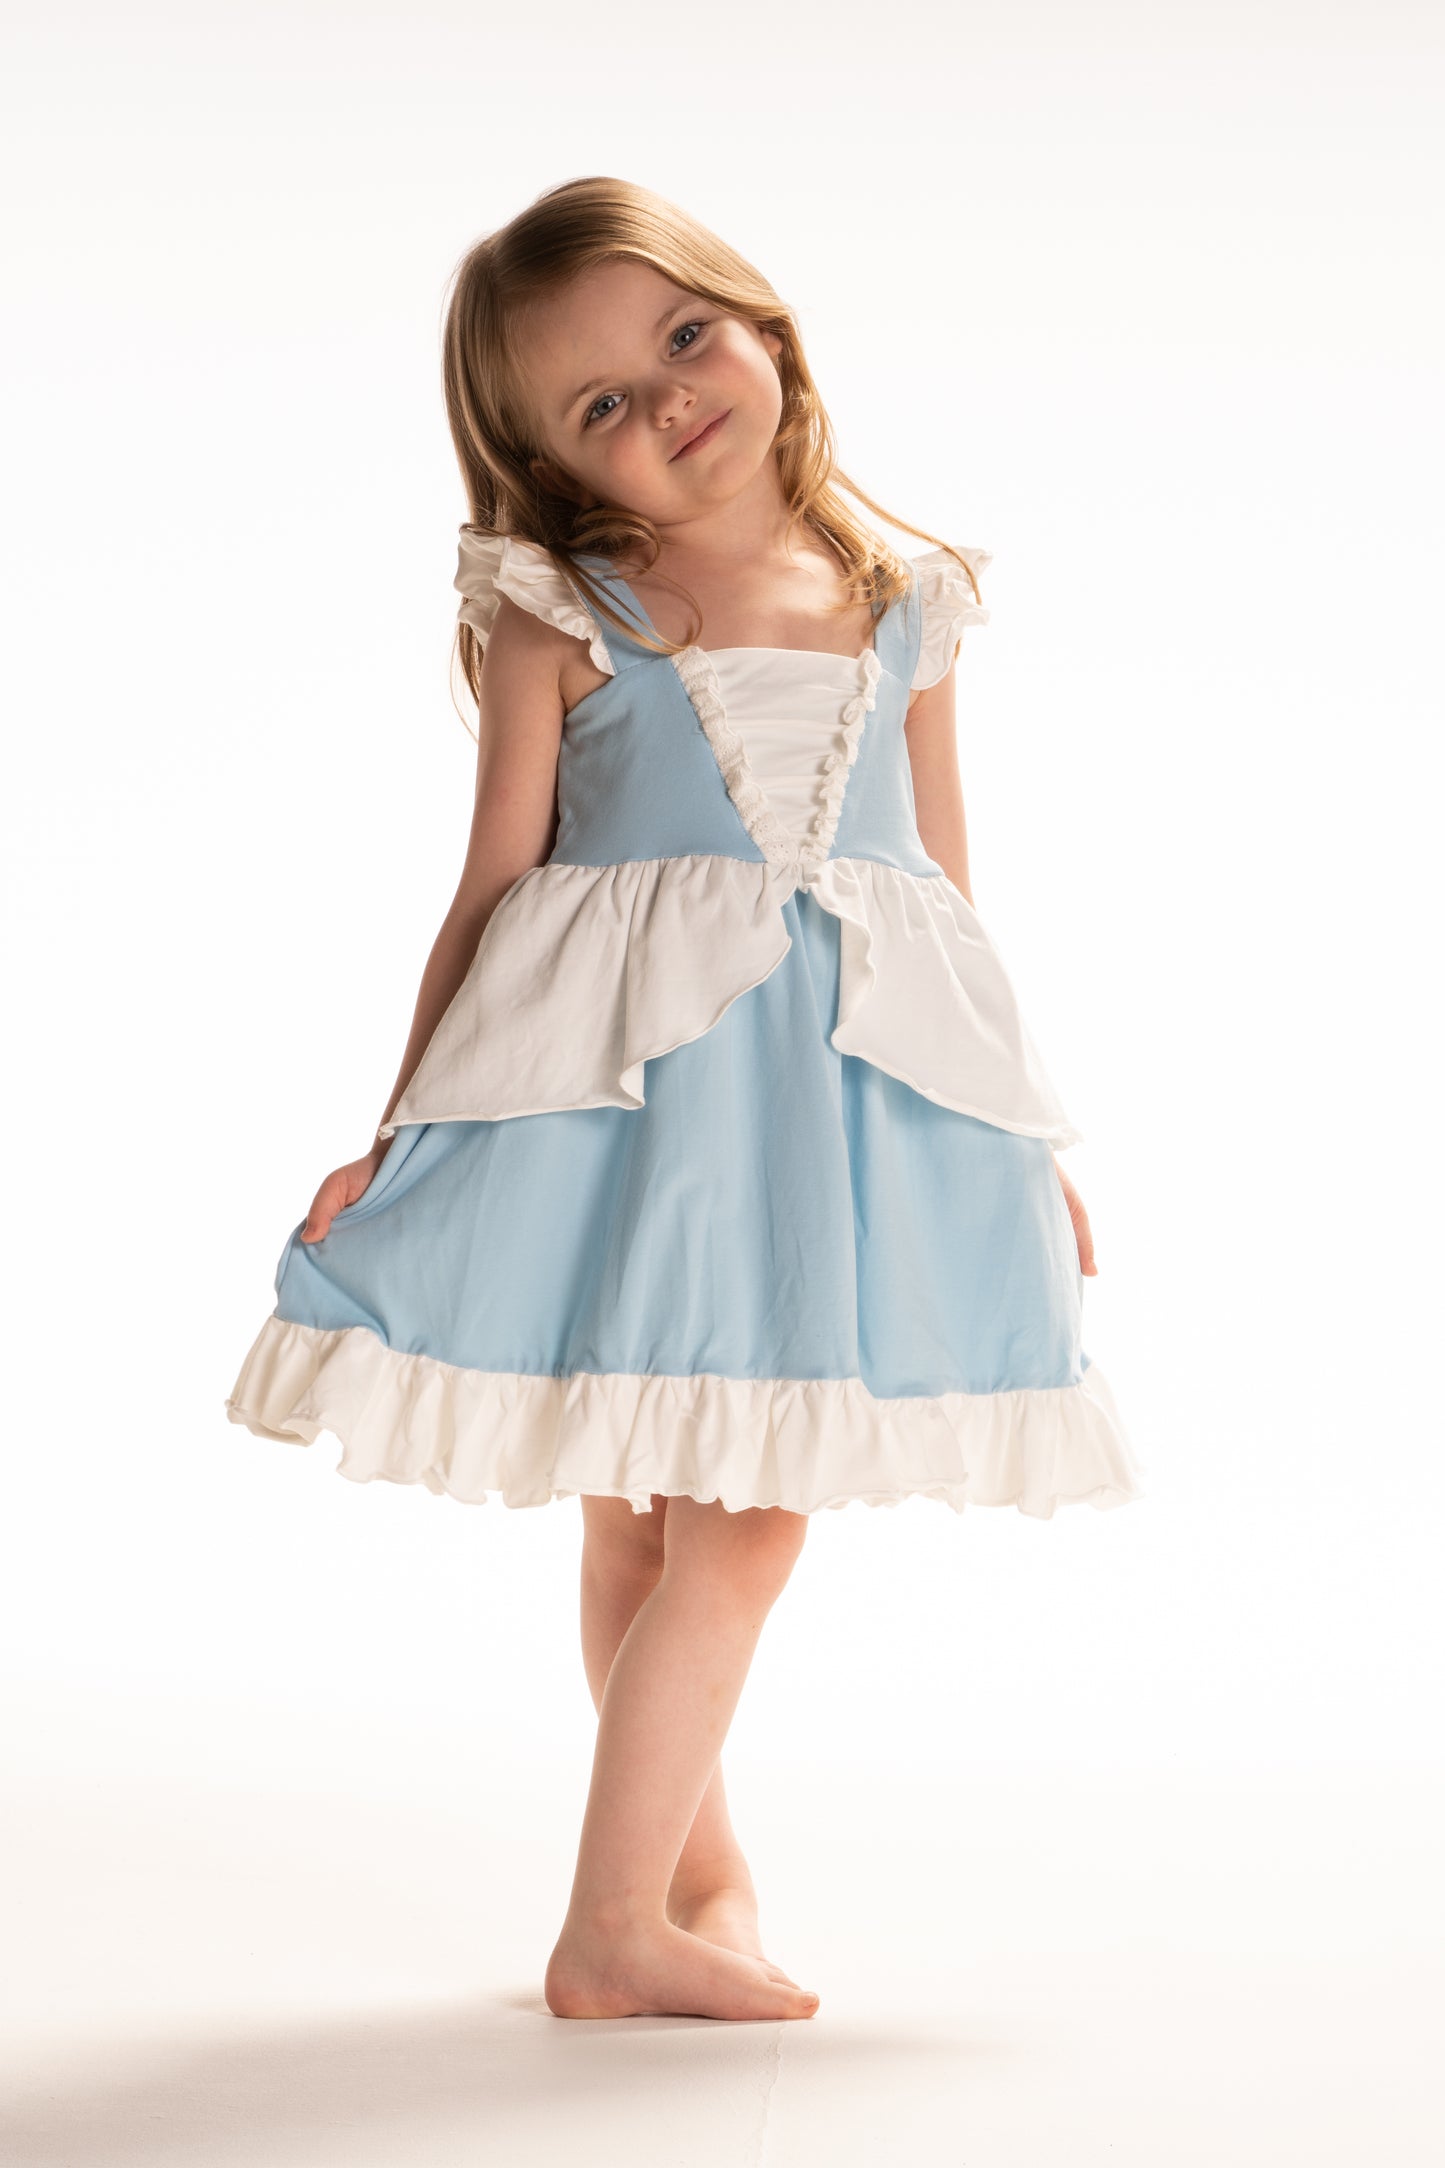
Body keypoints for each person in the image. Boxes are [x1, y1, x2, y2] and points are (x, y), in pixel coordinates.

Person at [225, 174, 1145, 2025]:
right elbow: (492, 886)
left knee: (667, 1526)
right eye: (600, 410)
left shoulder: (903, 602)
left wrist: (1011, 1142)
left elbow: (935, 900)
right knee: (716, 1519)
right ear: (565, 474)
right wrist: (404, 1128)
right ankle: (610, 1926)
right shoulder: (563, 612)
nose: (664, 404)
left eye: (679, 342)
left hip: (833, 1117)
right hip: (641, 1110)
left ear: (761, 325)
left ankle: (692, 1875)